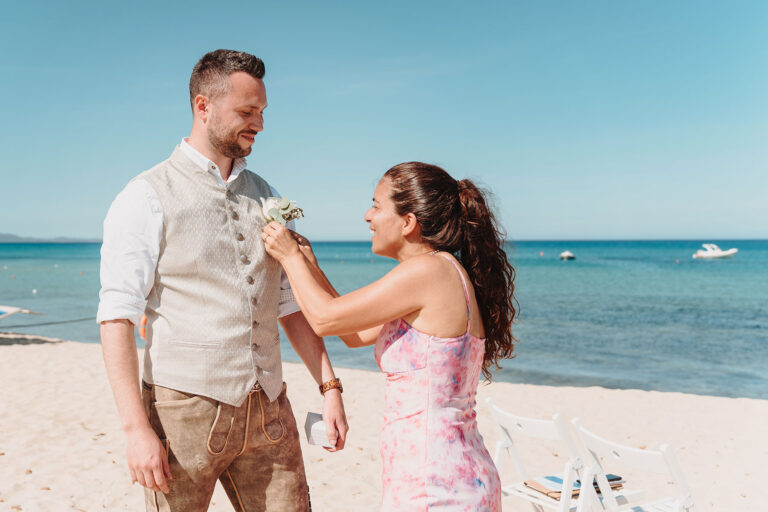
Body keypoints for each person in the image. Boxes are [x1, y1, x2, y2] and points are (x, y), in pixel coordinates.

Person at [97, 49, 348, 512]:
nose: (259, 124)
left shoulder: (267, 194)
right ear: (203, 106)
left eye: (262, 112)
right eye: (247, 112)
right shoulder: (145, 195)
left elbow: (289, 303)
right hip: (182, 416)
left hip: (270, 411)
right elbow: (116, 316)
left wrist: (328, 387)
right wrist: (135, 430)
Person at [262, 162, 517, 511]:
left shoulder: (428, 271)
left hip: (437, 485)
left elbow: (322, 319)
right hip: (445, 474)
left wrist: (289, 257)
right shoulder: (439, 271)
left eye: (377, 206)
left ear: (408, 222)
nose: (368, 216)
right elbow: (352, 333)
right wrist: (310, 265)